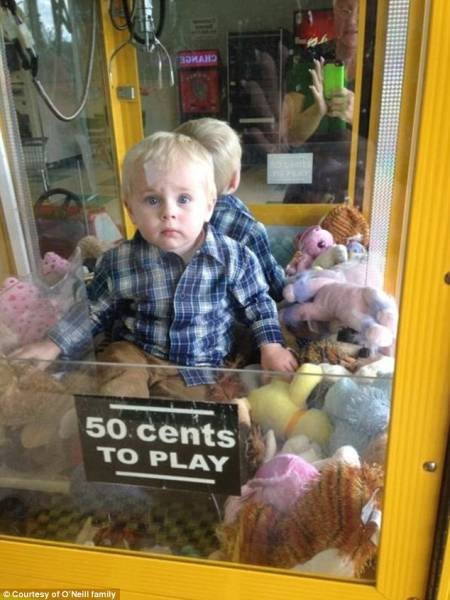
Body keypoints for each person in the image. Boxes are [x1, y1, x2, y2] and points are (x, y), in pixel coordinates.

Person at [13, 132, 297, 399]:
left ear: (209, 206)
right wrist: (52, 344)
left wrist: (270, 347)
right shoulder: (118, 261)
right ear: (131, 210)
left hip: (199, 365)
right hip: (138, 352)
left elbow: (258, 304)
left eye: (184, 199)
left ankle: (160, 427)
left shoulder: (234, 258)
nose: (169, 212)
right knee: (117, 363)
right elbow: (92, 310)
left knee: (192, 408)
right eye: (152, 200)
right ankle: (119, 423)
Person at [175, 117, 285, 301]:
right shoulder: (248, 229)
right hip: (234, 322)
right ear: (234, 180)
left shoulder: (160, 220)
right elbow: (274, 286)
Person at [281, 0, 358, 203]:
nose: (353, 19)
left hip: (359, 186)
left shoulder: (385, 65)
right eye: (345, 9)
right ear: (334, 12)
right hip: (310, 184)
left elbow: (400, 145)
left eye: (362, 9)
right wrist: (317, 109)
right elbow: (292, 136)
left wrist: (358, 116)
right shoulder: (309, 60)